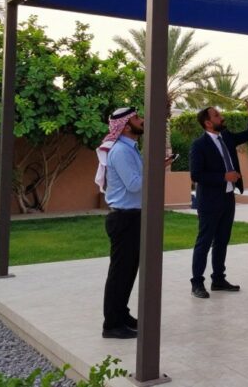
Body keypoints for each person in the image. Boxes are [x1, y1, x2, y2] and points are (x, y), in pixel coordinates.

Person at [97, 107, 173, 339]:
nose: (142, 121)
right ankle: (111, 324)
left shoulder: (130, 149)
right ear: (127, 125)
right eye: (138, 119)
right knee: (120, 273)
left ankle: (122, 314)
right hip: (125, 218)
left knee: (128, 271)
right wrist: (157, 168)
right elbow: (134, 184)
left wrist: (158, 166)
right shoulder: (121, 151)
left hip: (132, 217)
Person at [189, 102, 248, 298]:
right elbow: (196, 175)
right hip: (209, 201)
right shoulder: (199, 145)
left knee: (222, 241)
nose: (222, 118)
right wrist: (223, 177)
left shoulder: (226, 137)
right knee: (204, 242)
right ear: (208, 123)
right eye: (218, 116)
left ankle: (218, 279)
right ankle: (197, 283)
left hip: (228, 198)